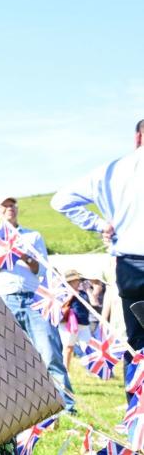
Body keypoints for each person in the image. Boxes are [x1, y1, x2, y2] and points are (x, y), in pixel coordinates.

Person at [51, 119, 144, 401]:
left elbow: (61, 200)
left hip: (131, 267)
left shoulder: (112, 171)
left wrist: (101, 225)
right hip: (131, 263)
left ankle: (137, 423)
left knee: (138, 345)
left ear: (138, 138)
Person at [0, 197, 76, 410]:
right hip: (4, 298)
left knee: (49, 352)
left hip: (33, 297)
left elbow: (40, 269)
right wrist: (7, 256)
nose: (9, 209)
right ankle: (19, 406)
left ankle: (66, 404)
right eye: (4, 205)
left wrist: (24, 254)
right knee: (8, 355)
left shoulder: (32, 236)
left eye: (12, 205)